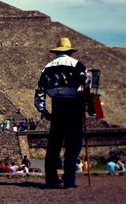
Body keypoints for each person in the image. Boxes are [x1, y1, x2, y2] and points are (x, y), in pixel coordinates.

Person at [34, 37, 88, 189]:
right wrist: (89, 106)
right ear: (70, 51)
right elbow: (88, 86)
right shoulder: (77, 65)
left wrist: (44, 111)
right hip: (74, 105)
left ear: (56, 52)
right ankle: (69, 179)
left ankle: (52, 179)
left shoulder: (47, 67)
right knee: (73, 144)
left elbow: (40, 92)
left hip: (57, 105)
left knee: (54, 144)